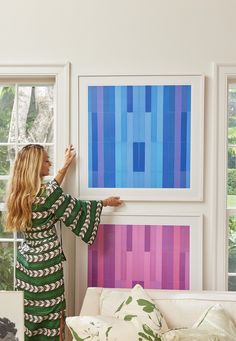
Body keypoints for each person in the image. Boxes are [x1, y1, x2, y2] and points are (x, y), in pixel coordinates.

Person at [5, 144, 122, 341]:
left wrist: (65, 166)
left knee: (30, 313)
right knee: (53, 312)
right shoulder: (48, 194)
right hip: (47, 264)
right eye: (45, 160)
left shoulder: (18, 195)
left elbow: (52, 192)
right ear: (34, 166)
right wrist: (104, 203)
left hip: (25, 264)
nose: (49, 162)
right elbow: (74, 207)